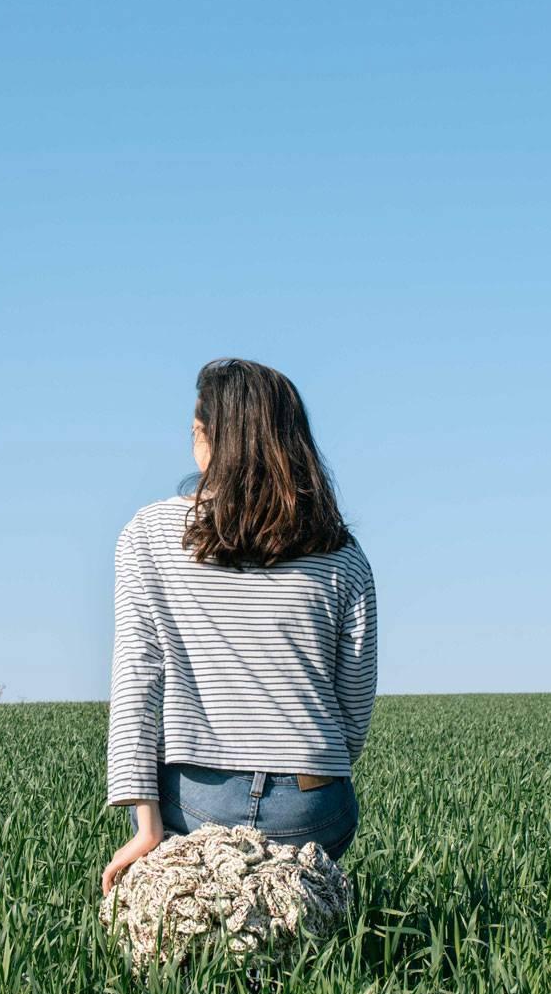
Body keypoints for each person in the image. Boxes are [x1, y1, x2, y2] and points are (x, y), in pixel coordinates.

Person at [101, 357, 377, 897]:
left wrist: (147, 828)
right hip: (316, 803)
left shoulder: (151, 534)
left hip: (199, 800)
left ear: (205, 437)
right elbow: (354, 709)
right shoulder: (341, 551)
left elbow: (138, 679)